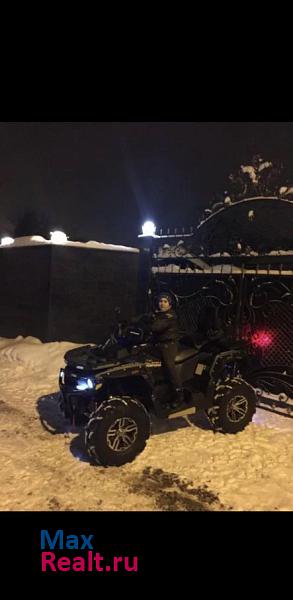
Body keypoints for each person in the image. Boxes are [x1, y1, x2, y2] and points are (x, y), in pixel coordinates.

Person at [151, 293, 184, 409]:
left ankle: (179, 393)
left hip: (169, 345)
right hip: (160, 344)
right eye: (161, 301)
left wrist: (148, 323)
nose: (162, 303)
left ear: (170, 304)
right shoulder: (160, 314)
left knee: (169, 365)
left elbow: (156, 327)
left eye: (165, 301)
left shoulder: (170, 316)